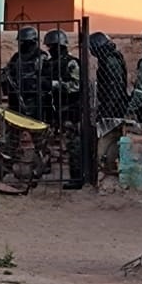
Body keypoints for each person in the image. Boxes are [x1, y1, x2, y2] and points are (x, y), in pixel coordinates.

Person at [0, 25, 51, 183]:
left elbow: (47, 81)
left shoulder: (41, 57)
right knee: (12, 139)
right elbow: (8, 75)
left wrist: (32, 84)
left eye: (26, 42)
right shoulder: (17, 57)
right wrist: (6, 79)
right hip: (17, 105)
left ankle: (40, 168)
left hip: (36, 106)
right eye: (22, 41)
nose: (23, 44)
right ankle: (4, 168)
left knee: (39, 140)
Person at [43, 29, 84, 188]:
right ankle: (44, 169)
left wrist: (54, 85)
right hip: (53, 108)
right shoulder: (49, 63)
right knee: (47, 141)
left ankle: (76, 177)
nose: (50, 50)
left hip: (69, 109)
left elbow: (76, 86)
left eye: (52, 47)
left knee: (72, 144)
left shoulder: (71, 63)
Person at [89, 31, 129, 177]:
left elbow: (114, 87)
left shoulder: (110, 61)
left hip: (112, 108)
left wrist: (107, 109)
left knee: (107, 141)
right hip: (113, 106)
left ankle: (104, 169)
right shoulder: (111, 58)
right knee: (110, 139)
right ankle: (106, 167)